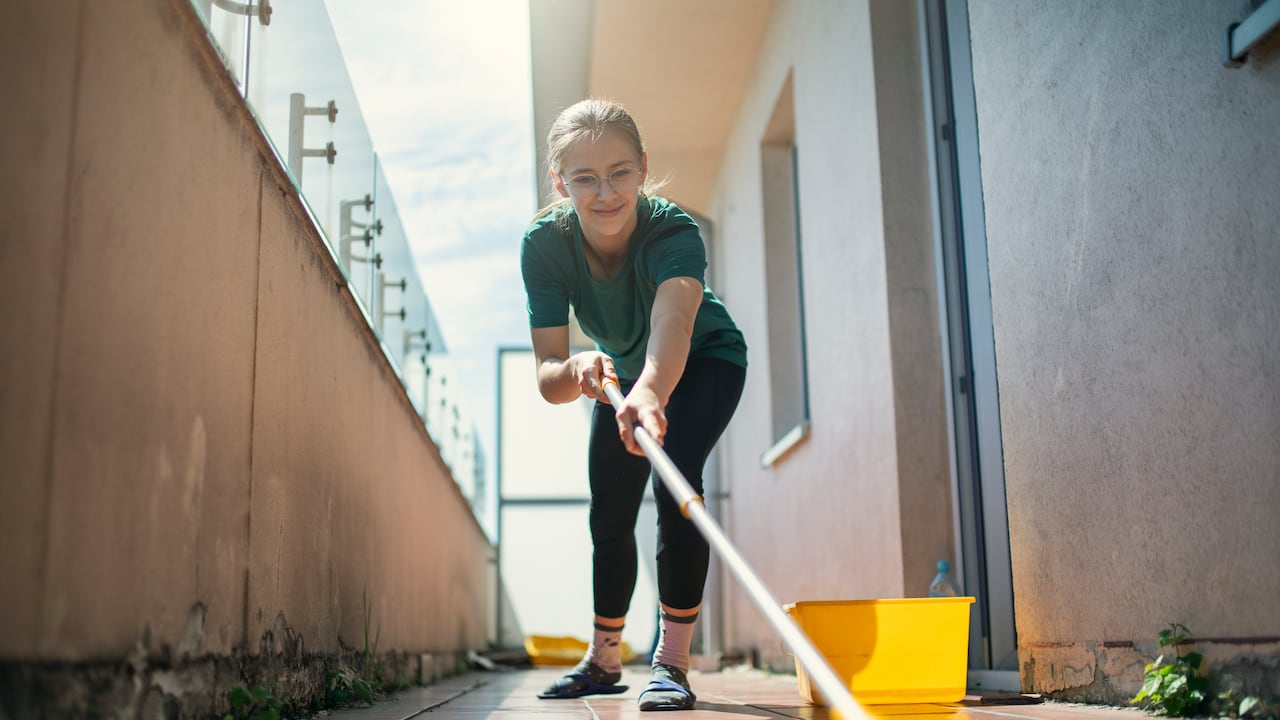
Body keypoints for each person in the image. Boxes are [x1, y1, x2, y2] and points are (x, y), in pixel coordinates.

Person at [520, 98, 747, 712]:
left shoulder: (673, 230)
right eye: (584, 177)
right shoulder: (544, 246)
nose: (604, 193)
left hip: (704, 363)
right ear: (558, 180)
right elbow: (548, 376)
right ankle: (604, 660)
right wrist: (577, 368)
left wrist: (650, 391)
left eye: (620, 172)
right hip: (618, 374)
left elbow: (673, 322)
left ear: (644, 167)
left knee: (678, 485)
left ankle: (672, 664)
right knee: (610, 512)